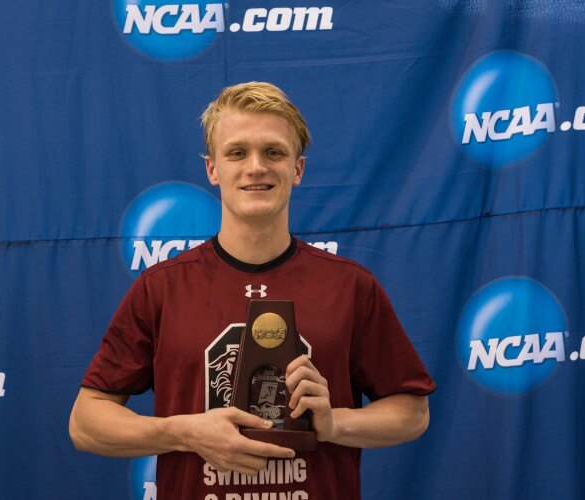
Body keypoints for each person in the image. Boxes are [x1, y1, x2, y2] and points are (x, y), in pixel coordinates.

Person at [69, 82, 436, 499]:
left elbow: (412, 413)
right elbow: (86, 423)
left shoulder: (350, 286)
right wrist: (182, 432)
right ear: (212, 168)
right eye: (237, 152)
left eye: (274, 152)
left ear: (298, 169)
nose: (256, 166)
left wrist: (335, 423)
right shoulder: (162, 288)